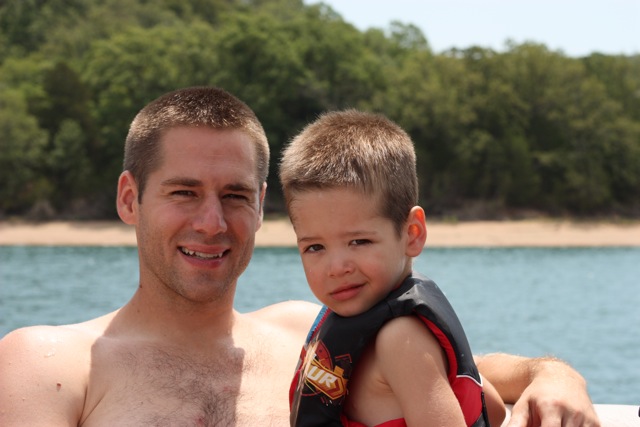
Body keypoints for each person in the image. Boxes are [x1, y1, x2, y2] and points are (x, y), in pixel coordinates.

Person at [0, 86, 599, 427]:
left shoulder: (305, 333)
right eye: (183, 192)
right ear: (130, 199)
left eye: (235, 196)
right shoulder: (50, 363)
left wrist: (556, 375)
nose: (211, 222)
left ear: (262, 206)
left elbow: (451, 366)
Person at [281, 109, 504, 427]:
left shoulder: (401, 341)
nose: (337, 267)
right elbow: (490, 406)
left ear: (412, 234)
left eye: (359, 241)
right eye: (314, 247)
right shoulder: (357, 325)